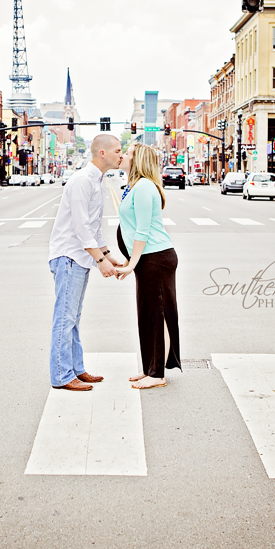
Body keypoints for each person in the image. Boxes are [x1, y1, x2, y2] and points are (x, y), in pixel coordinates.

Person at [47, 134, 125, 391]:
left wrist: (109, 255)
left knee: (74, 317)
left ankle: (77, 369)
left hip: (79, 257)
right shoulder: (82, 181)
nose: (120, 154)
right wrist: (101, 260)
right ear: (102, 153)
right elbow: (81, 228)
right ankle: (61, 375)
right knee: (65, 318)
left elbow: (93, 226)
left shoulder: (97, 180)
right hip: (69, 256)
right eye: (117, 150)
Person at [115, 143, 181, 390]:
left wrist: (132, 262)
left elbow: (143, 229)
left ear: (137, 160)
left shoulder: (143, 187)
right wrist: (130, 258)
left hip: (156, 259)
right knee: (148, 315)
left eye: (128, 153)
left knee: (157, 315)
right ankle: (149, 367)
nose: (122, 155)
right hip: (147, 258)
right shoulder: (135, 186)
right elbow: (134, 229)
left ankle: (157, 374)